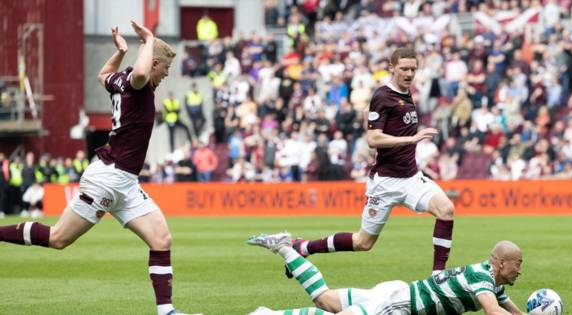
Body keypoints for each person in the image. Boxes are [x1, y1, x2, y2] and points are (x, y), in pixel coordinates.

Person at [0, 21, 201, 315]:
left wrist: (120, 51)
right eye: (165, 69)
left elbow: (103, 75)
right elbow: (143, 72)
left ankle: (166, 311)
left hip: (126, 183)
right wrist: (148, 39)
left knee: (161, 239)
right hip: (108, 179)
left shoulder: (122, 79)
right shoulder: (139, 82)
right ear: (154, 62)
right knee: (58, 239)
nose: (166, 75)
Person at [287, 47, 455, 275]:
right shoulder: (382, 96)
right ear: (391, 68)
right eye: (404, 69)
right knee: (363, 242)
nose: (409, 74)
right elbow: (373, 139)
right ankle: (304, 247)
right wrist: (412, 138)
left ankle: (438, 275)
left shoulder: (407, 94)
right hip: (385, 183)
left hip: (412, 178)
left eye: (413, 69)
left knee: (446, 209)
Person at [248, 233, 529, 315]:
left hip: (395, 294)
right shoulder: (481, 278)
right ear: (501, 263)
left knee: (325, 300)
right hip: (395, 305)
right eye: (518, 263)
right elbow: (494, 314)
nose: (520, 269)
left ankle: (285, 248)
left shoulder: (490, 282)